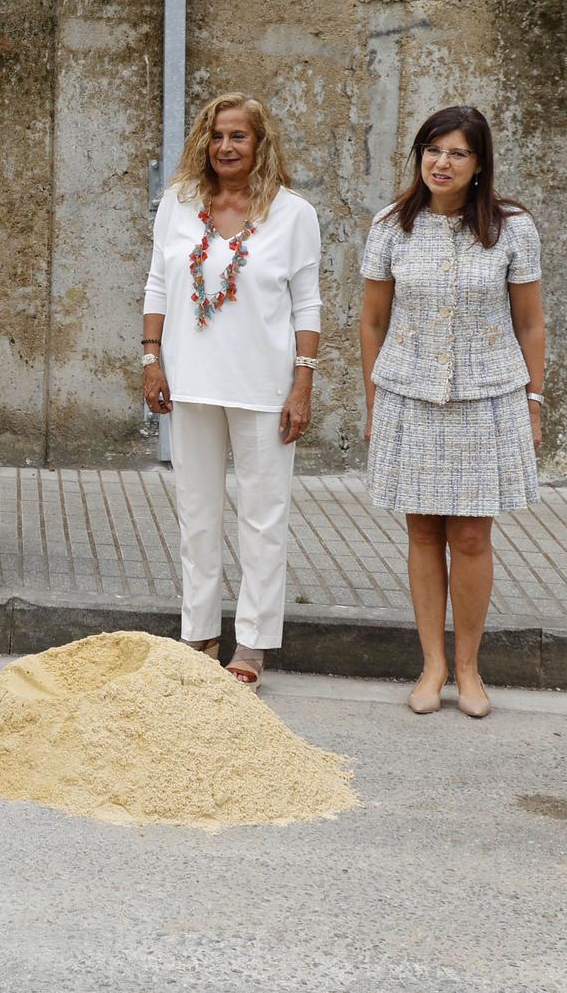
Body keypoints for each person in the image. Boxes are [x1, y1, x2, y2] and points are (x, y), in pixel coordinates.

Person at [360, 105, 544, 718]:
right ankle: (430, 664)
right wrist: (373, 402)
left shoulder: (512, 229)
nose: (442, 163)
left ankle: (468, 666)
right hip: (409, 395)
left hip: (488, 398)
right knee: (421, 529)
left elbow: (530, 322)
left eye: (457, 153)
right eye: (432, 150)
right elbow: (373, 321)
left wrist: (534, 401)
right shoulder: (391, 226)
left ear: (479, 163)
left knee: (469, 532)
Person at [142, 92, 321, 690]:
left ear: (260, 142)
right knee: (196, 514)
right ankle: (197, 633)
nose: (225, 147)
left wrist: (303, 382)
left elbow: (307, 303)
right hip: (191, 382)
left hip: (266, 387)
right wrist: (151, 360)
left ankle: (252, 644)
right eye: (217, 136)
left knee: (263, 518)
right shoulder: (180, 203)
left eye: (238, 136)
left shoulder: (293, 214)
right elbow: (157, 286)